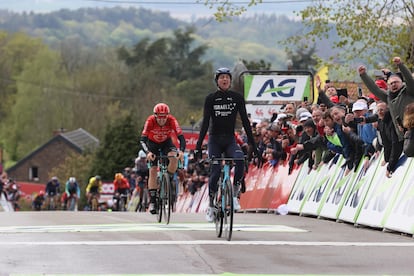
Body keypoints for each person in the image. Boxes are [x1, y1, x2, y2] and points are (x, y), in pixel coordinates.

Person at [195, 67, 258, 222]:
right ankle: (211, 206)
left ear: (230, 81)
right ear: (217, 81)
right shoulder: (211, 98)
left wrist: (253, 144)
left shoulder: (237, 97)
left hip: (230, 139)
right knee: (215, 171)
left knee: (239, 159)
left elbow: (245, 121)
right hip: (215, 140)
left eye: (227, 78)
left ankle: (235, 195)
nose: (225, 80)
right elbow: (205, 123)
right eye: (222, 77)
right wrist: (198, 146)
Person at [140, 103, 186, 214]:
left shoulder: (172, 120)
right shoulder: (150, 121)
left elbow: (181, 137)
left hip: (166, 143)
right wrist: (148, 152)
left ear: (167, 116)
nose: (161, 120)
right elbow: (142, 140)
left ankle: (168, 178)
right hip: (152, 144)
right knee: (152, 170)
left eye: (164, 117)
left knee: (174, 157)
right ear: (155, 116)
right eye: (159, 118)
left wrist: (181, 151)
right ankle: (153, 201)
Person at [358, 56, 414, 142]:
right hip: (402, 135)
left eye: (396, 82)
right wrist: (364, 75)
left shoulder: (408, 92)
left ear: (402, 83)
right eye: (391, 83)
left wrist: (400, 65)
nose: (393, 84)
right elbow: (375, 89)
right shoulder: (388, 97)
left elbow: (410, 79)